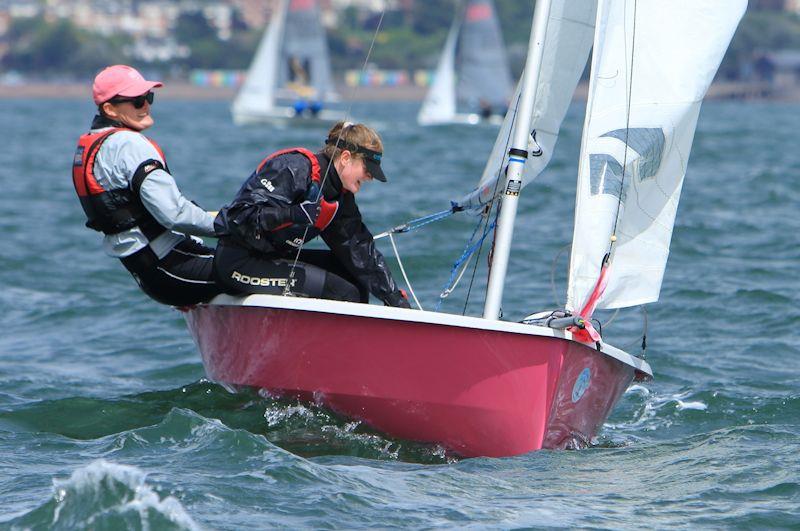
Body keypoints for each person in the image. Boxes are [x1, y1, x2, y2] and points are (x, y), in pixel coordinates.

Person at [213, 121, 411, 308]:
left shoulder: (340, 197)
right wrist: (292, 214)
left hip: (272, 258)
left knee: (356, 283)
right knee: (344, 293)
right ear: (345, 158)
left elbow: (359, 249)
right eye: (368, 169)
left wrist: (393, 297)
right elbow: (239, 218)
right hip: (238, 262)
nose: (370, 177)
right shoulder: (293, 169)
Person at [71, 65, 221, 307]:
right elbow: (176, 214)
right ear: (109, 108)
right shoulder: (128, 144)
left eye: (148, 97)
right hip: (172, 269)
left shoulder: (94, 145)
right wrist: (231, 225)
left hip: (152, 276)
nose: (147, 105)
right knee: (289, 271)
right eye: (137, 101)